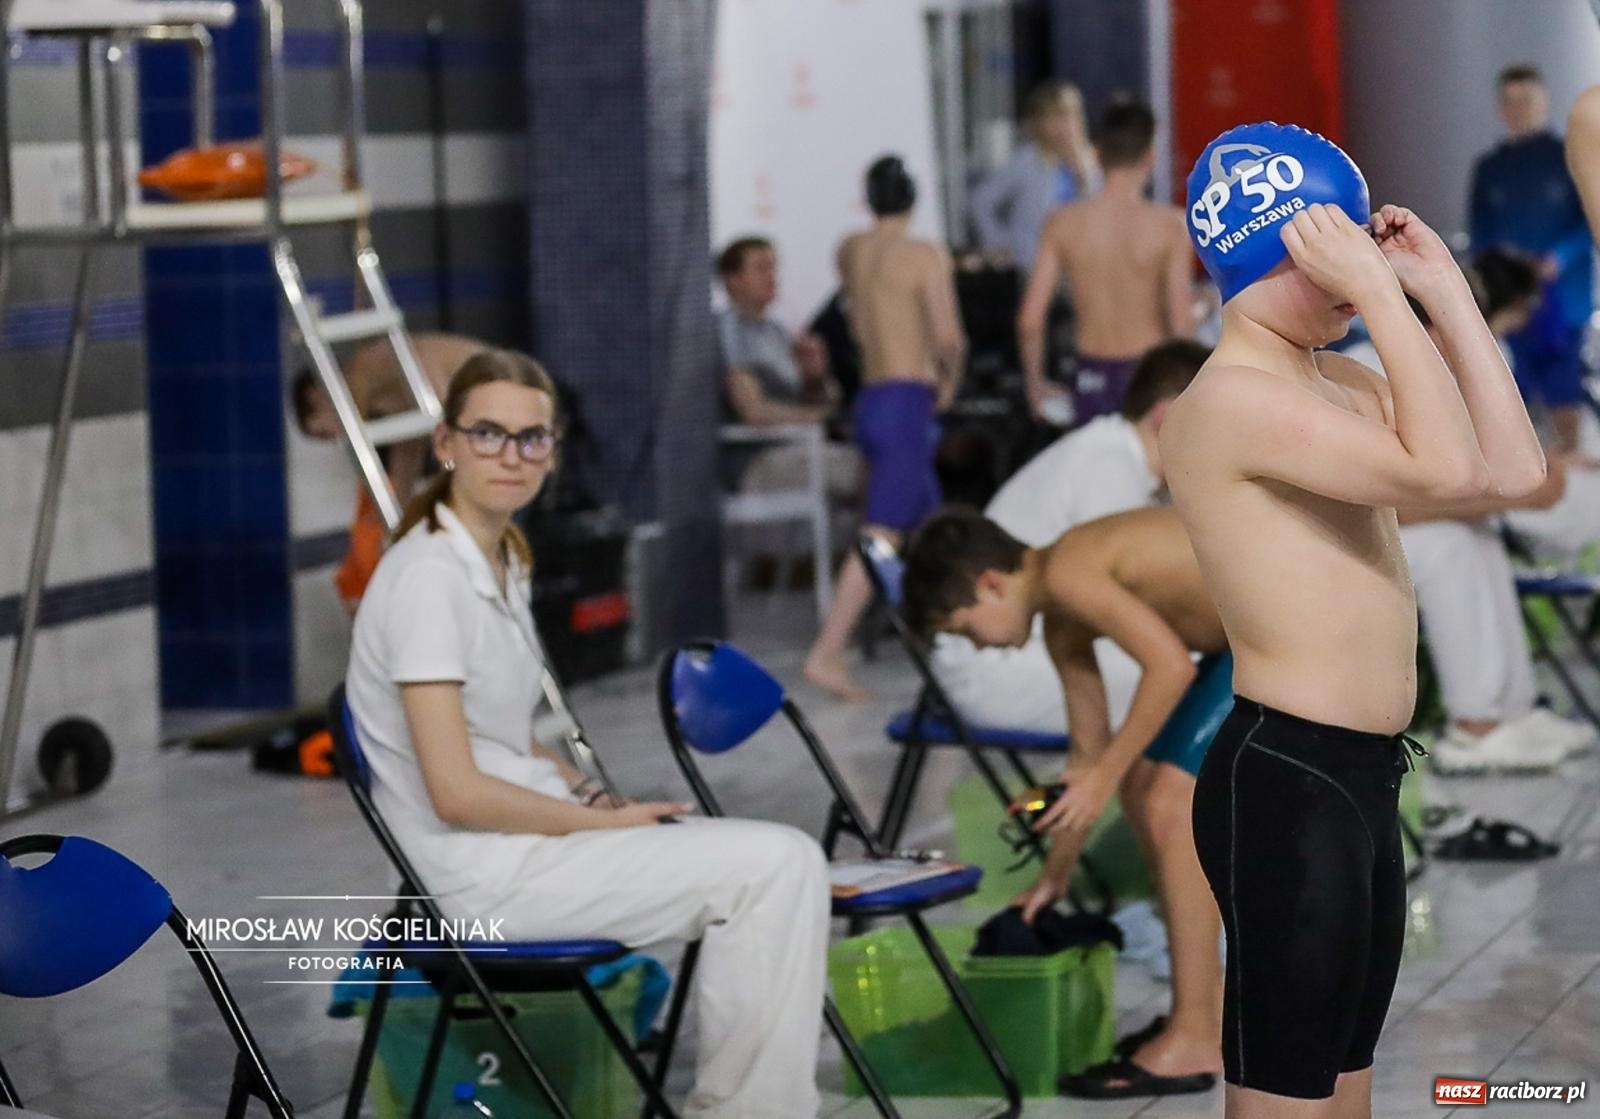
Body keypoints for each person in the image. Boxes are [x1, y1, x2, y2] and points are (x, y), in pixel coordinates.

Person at [1161, 123, 1545, 1115]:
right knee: (1283, 1100)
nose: (1353, 272)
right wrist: (1381, 295)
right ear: (1274, 248)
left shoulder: (1338, 380)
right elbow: (1448, 470)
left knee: (1344, 1094)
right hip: (1285, 782)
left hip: (1361, 780)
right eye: (1333, 250)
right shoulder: (1232, 399)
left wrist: (1442, 289)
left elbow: (1509, 470)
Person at [344, 349, 832, 1118]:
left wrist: (595, 795)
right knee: (774, 866)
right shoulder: (428, 581)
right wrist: (590, 822)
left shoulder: (501, 557)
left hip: (536, 845)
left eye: (531, 438)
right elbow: (456, 791)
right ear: (446, 444)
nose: (512, 455)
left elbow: (501, 738)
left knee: (781, 863)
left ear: (552, 450)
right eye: (488, 434)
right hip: (489, 881)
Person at [903, 506, 1228, 1100]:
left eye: (963, 629)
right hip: (1238, 643)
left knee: (1166, 804)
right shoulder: (1061, 617)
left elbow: (1170, 668)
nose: (979, 646)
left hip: (1286, 630)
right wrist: (1054, 877)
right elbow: (1086, 765)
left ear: (991, 584)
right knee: (1139, 789)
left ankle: (1196, 1036)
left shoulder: (1071, 573)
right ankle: (1208, 1009)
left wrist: (1103, 776)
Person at [1343, 299, 1586, 773]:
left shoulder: (1441, 366)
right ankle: (1474, 726)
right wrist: (1514, 496)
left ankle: (1512, 709)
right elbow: (1385, 504)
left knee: (1477, 532)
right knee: (1450, 547)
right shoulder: (1363, 371)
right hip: (1350, 535)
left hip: (1403, 522)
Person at [933, 339, 1211, 735]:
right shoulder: (1108, 468)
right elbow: (1144, 603)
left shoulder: (1118, 457)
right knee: (1199, 678)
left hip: (1023, 643)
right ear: (1166, 416)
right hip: (997, 663)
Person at [802, 155, 965, 700]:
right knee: (882, 531)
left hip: (870, 398)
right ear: (913, 200)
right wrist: (950, 380)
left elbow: (855, 316)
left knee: (928, 527)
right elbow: (947, 337)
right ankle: (827, 651)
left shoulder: (850, 251)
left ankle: (947, 644)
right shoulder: (923, 254)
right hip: (906, 399)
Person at [1018, 101, 1195, 424]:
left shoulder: (1062, 223)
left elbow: (1030, 319)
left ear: (1097, 154)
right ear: (1150, 158)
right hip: (1150, 377)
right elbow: (1180, 324)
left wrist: (1034, 386)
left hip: (1091, 376)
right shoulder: (1170, 227)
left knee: (1094, 472)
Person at [291, 332, 486, 613]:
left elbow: (427, 371)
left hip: (493, 389)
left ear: (316, 396)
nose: (336, 438)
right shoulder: (377, 393)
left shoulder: (362, 371)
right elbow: (408, 449)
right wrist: (396, 526)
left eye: (324, 431)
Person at [1468, 65, 1593, 454]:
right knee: (1507, 385)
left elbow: (1590, 222)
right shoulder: (1490, 168)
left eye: (1526, 100)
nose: (1518, 108)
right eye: (1510, 101)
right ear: (1500, 107)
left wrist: (1559, 258)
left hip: (1564, 298)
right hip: (1510, 300)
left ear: (1543, 102)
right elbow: (1480, 232)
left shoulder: (1570, 156)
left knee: (1562, 386)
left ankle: (1570, 469)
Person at [715, 236, 859, 502]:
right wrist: (823, 417)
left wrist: (816, 378)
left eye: (773, 267)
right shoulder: (728, 331)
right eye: (761, 268)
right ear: (732, 279)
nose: (772, 276)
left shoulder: (777, 332)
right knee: (873, 472)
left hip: (803, 446)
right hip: (757, 458)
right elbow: (753, 411)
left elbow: (812, 398)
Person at [969, 82, 1100, 272]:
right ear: (1038, 123)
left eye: (1067, 116)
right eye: (1052, 117)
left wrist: (1081, 170)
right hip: (1032, 266)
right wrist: (1003, 244)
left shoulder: (1090, 162)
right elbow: (980, 202)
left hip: (1078, 269)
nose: (1061, 125)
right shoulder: (1025, 161)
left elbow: (1100, 211)